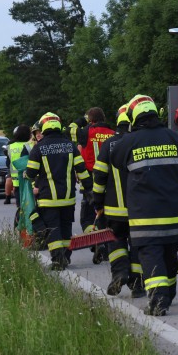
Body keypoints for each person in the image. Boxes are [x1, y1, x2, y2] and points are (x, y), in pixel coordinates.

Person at [110, 94, 178, 316]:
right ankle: (169, 293)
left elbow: (115, 159)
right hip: (175, 214)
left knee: (150, 254)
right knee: (169, 252)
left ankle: (159, 298)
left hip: (145, 215)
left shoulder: (130, 142)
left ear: (133, 117)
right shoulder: (174, 138)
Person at [25, 112, 93, 270]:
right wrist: (89, 188)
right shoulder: (70, 145)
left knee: (53, 229)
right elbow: (82, 170)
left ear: (44, 127)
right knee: (65, 228)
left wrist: (25, 174)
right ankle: (66, 257)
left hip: (48, 198)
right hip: (68, 197)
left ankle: (57, 260)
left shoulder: (39, 148)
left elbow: (30, 173)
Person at [92, 104, 145, 298]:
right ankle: (138, 285)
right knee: (138, 244)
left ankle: (120, 273)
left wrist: (97, 204)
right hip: (138, 209)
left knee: (116, 243)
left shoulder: (108, 144)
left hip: (114, 209)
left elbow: (99, 177)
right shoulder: (140, 142)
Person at [77, 107, 115, 261]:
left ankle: (97, 240)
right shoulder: (112, 134)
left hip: (90, 180)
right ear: (104, 118)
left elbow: (71, 130)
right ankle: (106, 245)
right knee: (105, 215)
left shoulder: (86, 133)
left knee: (87, 218)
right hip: (109, 181)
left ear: (89, 120)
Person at [5, 125, 32, 207]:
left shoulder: (10, 147)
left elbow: (7, 163)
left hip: (16, 182)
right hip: (29, 181)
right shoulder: (30, 145)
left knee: (20, 207)